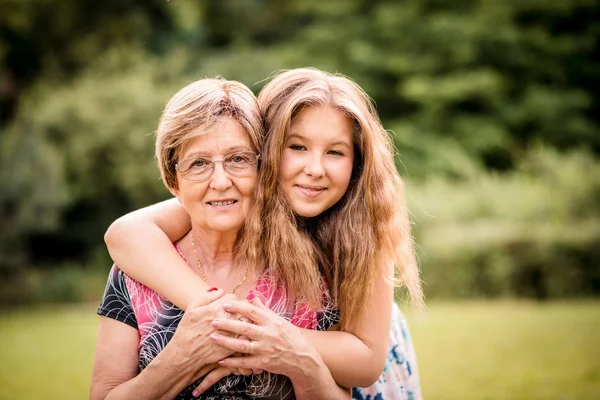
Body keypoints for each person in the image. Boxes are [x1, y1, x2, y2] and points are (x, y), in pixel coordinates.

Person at [105, 68, 424, 399]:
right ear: (265, 147)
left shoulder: (362, 224)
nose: (315, 169)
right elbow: (127, 233)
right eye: (297, 147)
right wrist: (218, 315)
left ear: (357, 162)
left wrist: (265, 336)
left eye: (335, 152)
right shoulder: (229, 199)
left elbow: (367, 362)